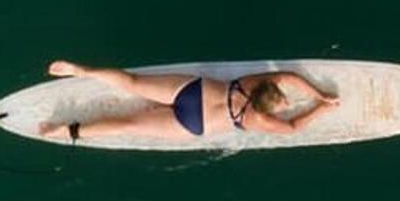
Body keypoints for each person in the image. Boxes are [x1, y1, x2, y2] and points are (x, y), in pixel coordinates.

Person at [38, 60, 340, 142]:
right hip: (193, 124)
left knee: (131, 82)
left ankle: (81, 70)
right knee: (126, 125)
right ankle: (66, 132)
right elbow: (295, 127)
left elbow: (287, 76)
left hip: (191, 91)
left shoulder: (251, 84)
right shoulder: (258, 120)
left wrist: (318, 92)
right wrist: (322, 107)